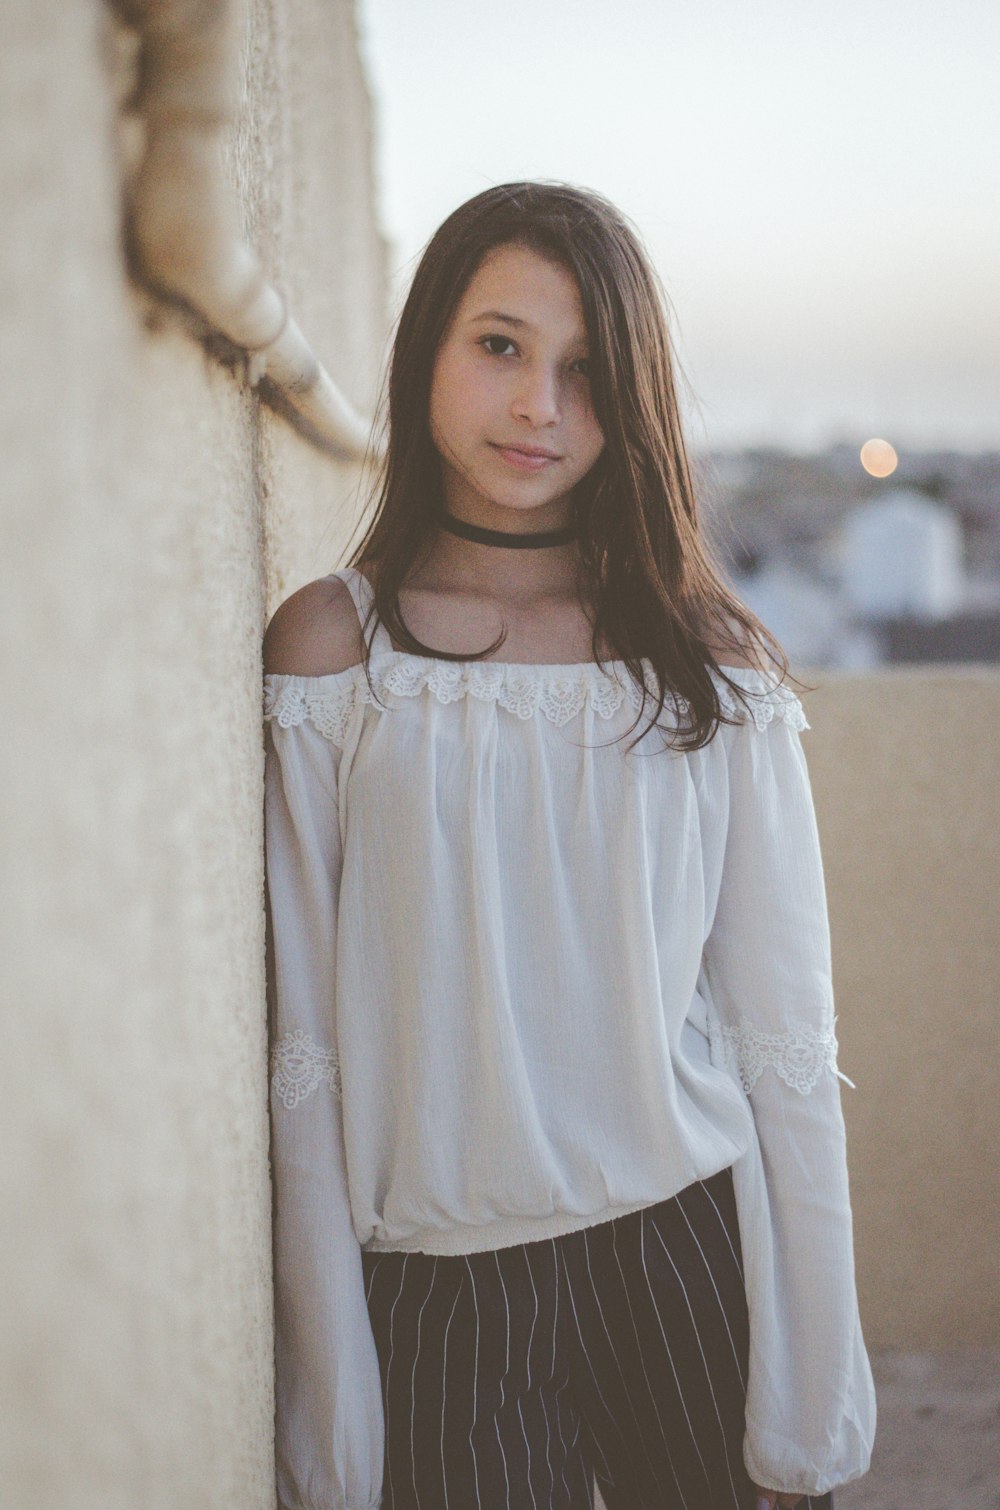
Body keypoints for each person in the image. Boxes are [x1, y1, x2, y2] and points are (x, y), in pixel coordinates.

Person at [261, 181, 876, 1510]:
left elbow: (784, 1035)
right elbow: (302, 1052)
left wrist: (811, 1394)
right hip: (437, 1283)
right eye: (501, 346)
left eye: (588, 371)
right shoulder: (338, 651)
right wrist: (332, 1412)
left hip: (686, 1247)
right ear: (426, 344)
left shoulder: (705, 662)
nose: (541, 405)